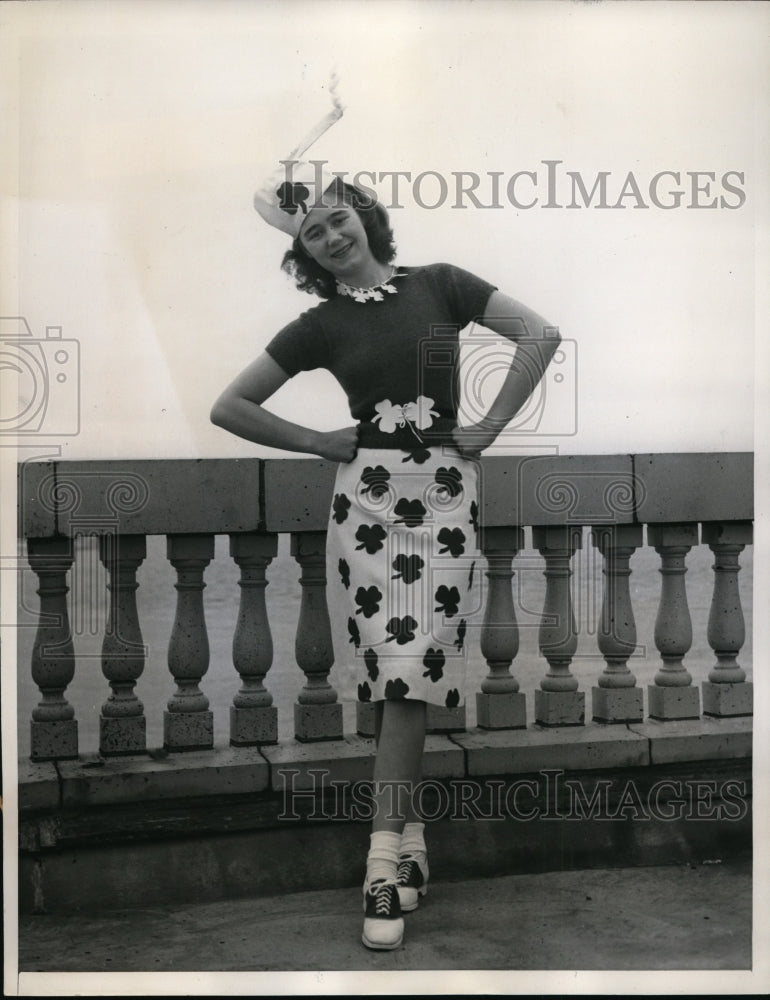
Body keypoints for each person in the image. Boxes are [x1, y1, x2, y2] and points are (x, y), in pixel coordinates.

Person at [210, 165, 561, 951]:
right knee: (396, 674)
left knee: (412, 672)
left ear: (364, 217)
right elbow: (229, 405)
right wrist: (315, 441)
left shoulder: (442, 284)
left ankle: (393, 853)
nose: (332, 236)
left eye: (338, 219)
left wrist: (489, 427)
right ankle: (389, 860)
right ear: (304, 253)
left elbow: (541, 335)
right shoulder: (320, 325)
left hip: (444, 498)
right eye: (313, 233)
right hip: (366, 503)